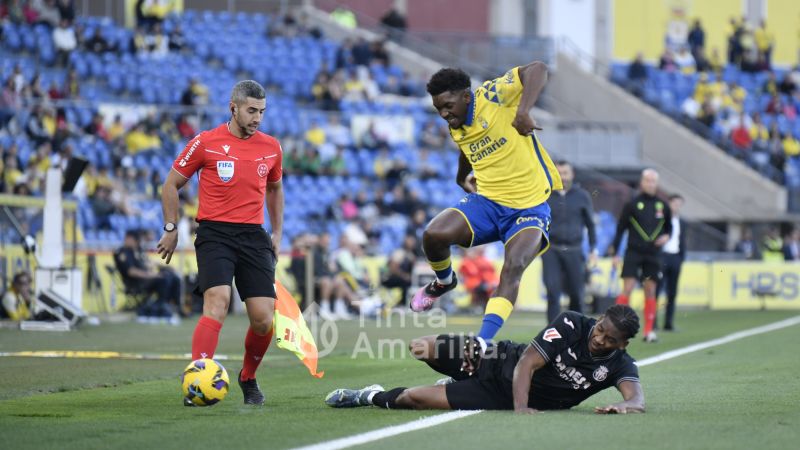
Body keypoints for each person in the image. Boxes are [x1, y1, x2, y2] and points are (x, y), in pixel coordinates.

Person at [410, 62, 562, 349]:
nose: (444, 114)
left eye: (448, 106)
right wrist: (460, 177)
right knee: (433, 235)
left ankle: (481, 342)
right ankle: (444, 282)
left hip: (529, 206)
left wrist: (523, 111)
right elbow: (467, 145)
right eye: (438, 109)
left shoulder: (494, 95)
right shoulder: (457, 123)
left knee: (514, 266)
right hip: (488, 203)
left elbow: (539, 69)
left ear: (466, 96)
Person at [156, 80, 284, 407]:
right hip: (215, 233)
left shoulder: (271, 147)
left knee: (263, 318)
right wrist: (171, 227)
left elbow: (274, 189)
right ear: (233, 108)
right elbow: (170, 185)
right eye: (251, 111)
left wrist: (277, 232)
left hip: (254, 236)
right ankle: (197, 379)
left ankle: (248, 377)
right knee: (217, 300)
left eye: (262, 112)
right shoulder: (206, 142)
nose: (257, 118)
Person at [325, 305, 644, 414]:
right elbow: (527, 363)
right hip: (499, 358)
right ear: (599, 319)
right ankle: (459, 376)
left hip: (498, 394)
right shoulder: (573, 323)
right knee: (421, 347)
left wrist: (625, 406)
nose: (600, 339)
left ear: (623, 343)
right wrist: (522, 408)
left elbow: (637, 399)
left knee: (413, 398)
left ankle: (368, 395)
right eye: (601, 329)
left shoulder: (620, 365)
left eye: (610, 340)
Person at [608, 169, 672, 343]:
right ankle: (615, 329)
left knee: (650, 290)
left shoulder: (663, 206)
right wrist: (615, 252)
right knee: (627, 288)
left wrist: (666, 237)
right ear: (641, 183)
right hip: (633, 252)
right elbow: (621, 229)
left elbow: (669, 229)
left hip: (653, 254)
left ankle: (648, 331)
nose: (650, 183)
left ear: (656, 183)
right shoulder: (632, 204)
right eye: (647, 180)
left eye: (653, 181)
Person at [542, 160, 597, 323]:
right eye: (559, 173)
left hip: (574, 250)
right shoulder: (545, 195)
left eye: (565, 173)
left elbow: (590, 224)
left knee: (576, 294)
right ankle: (550, 333)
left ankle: (575, 330)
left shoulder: (582, 196)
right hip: (551, 250)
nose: (562, 177)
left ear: (572, 174)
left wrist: (594, 249)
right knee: (552, 292)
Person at [114, 229, 181, 319]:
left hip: (146, 280)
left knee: (173, 277)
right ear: (129, 239)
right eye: (136, 240)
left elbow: (148, 262)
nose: (138, 243)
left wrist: (165, 267)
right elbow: (131, 272)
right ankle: (161, 306)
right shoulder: (122, 252)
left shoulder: (138, 250)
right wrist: (152, 275)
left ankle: (175, 306)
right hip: (135, 283)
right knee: (164, 279)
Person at [657, 194, 686, 331]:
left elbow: (683, 241)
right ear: (669, 204)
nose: (677, 206)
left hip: (675, 258)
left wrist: (681, 258)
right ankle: (653, 323)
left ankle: (668, 323)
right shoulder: (661, 220)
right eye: (675, 203)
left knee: (672, 292)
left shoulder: (682, 222)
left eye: (679, 204)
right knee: (657, 289)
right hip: (662, 257)